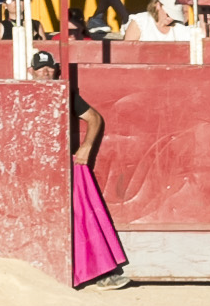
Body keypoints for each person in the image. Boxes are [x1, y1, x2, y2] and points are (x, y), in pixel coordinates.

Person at [30, 48, 134, 291]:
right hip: (34, 171)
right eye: (40, 69)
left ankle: (101, 273)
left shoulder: (66, 95)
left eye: (49, 68)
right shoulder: (23, 94)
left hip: (62, 168)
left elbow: (95, 118)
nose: (45, 73)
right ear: (31, 72)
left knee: (82, 216)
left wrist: (86, 146)